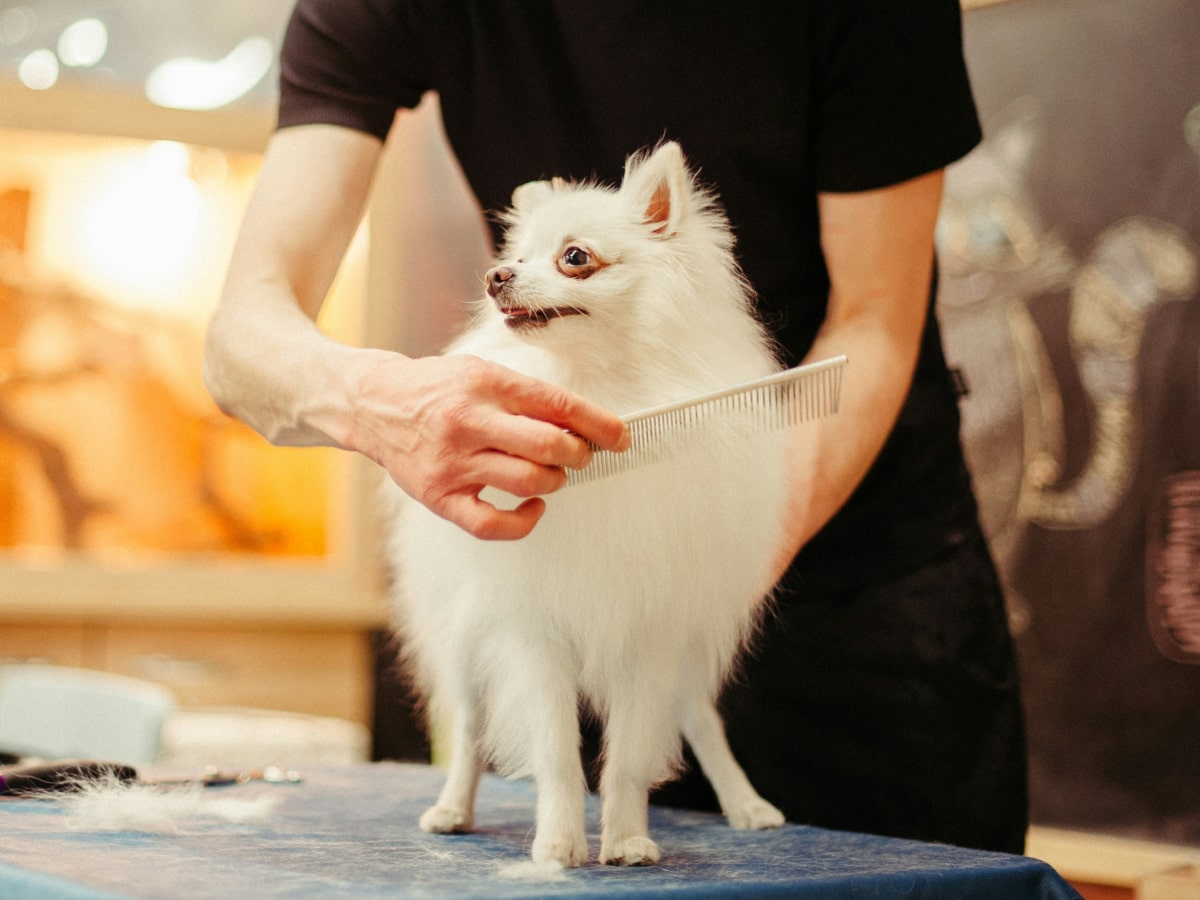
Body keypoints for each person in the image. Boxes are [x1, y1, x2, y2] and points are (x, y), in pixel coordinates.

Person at [203, 1, 1029, 854]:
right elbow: (240, 341)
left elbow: (877, 321)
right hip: (574, 542)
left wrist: (715, 555)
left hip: (858, 577)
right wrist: (383, 401)